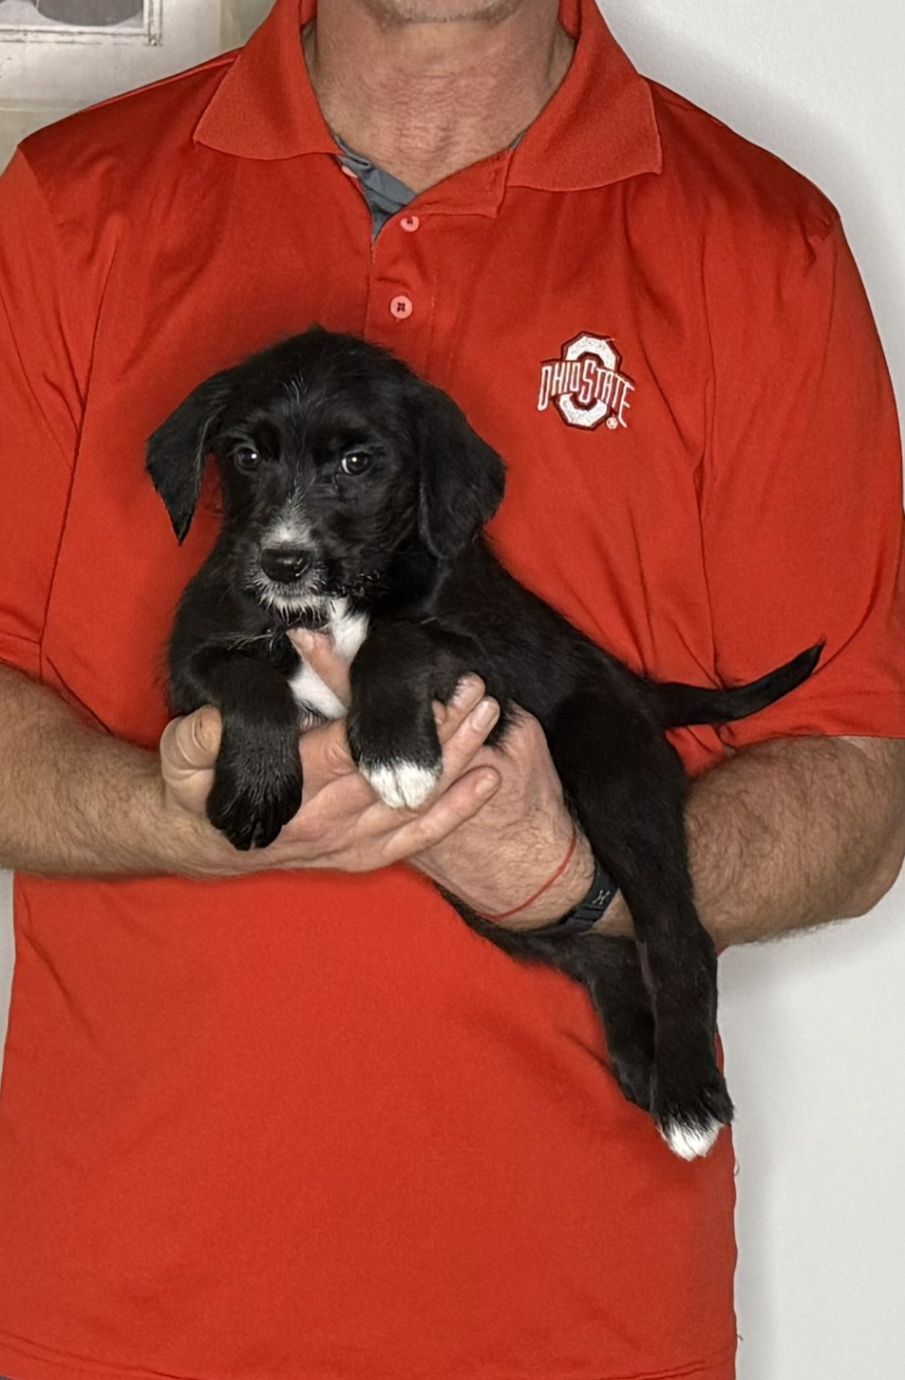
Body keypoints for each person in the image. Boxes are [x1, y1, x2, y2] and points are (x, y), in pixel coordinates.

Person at [0, 1, 903, 1377]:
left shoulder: (758, 244)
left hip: (572, 1320)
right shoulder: (70, 208)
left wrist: (580, 882)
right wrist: (153, 811)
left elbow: (855, 778)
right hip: (123, 1306)